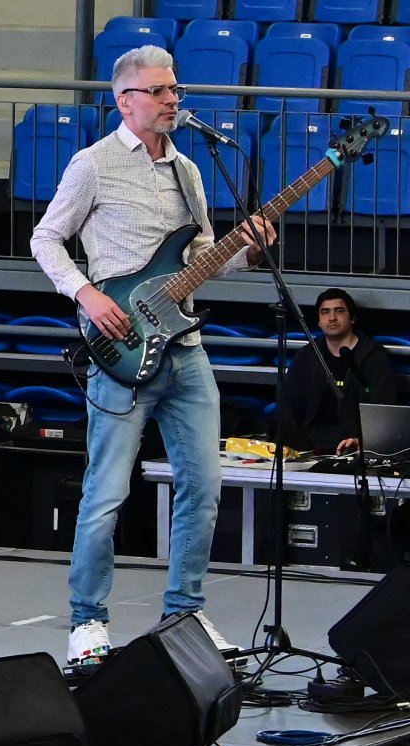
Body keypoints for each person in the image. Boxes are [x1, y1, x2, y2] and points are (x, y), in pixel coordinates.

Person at [30, 46, 271, 669]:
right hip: (120, 349)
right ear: (124, 100)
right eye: (159, 91)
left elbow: (203, 258)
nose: (173, 100)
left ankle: (184, 614)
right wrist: (84, 292)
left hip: (186, 352)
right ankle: (87, 623)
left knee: (204, 486)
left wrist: (249, 250)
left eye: (175, 89)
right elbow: (46, 237)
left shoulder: (189, 171)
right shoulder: (94, 164)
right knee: (105, 492)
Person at [278, 288, 397, 454]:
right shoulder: (306, 356)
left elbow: (383, 406)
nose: (332, 318)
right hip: (309, 443)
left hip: (353, 444)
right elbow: (288, 404)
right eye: (325, 312)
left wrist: (361, 440)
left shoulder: (373, 356)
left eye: (339, 311)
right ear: (319, 321)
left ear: (352, 318)